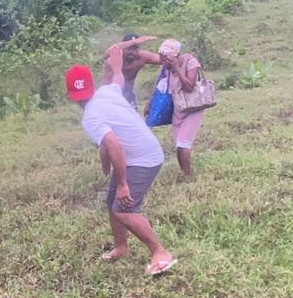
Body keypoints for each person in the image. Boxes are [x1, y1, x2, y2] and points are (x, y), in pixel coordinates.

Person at [65, 52, 176, 275]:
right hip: (140, 153)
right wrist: (114, 63)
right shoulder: (107, 92)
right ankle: (121, 247)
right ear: (92, 86)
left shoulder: (90, 118)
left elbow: (114, 145)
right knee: (112, 203)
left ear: (70, 96)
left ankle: (160, 253)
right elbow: (117, 76)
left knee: (124, 210)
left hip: (143, 159)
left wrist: (123, 183)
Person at [156, 39, 208, 178]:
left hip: (193, 108)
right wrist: (150, 104)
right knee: (179, 144)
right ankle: (184, 173)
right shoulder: (166, 68)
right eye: (161, 59)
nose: (162, 62)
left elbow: (189, 86)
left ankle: (187, 176)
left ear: (173, 56)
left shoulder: (191, 62)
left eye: (164, 59)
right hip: (179, 109)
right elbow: (160, 86)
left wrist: (177, 68)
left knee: (182, 144)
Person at [103, 34, 160, 108]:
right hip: (109, 95)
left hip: (128, 95)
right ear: (122, 48)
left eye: (135, 49)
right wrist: (133, 42)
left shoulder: (141, 57)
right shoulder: (114, 58)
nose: (132, 52)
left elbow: (163, 59)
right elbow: (108, 53)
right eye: (129, 48)